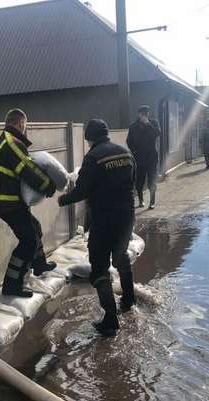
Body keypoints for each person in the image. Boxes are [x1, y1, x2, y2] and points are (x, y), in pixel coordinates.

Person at [58, 119, 136, 337]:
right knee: (121, 257)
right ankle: (129, 300)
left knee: (99, 267)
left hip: (104, 220)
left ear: (88, 137)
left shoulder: (93, 157)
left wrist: (62, 200)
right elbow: (135, 181)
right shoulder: (125, 153)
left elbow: (82, 191)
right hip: (127, 216)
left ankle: (110, 320)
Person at [0, 108, 57, 298]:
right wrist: (48, 185)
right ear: (20, 123)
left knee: (34, 227)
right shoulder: (12, 141)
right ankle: (12, 285)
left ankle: (39, 264)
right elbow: (28, 168)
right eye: (25, 125)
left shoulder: (7, 140)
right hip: (5, 200)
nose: (25, 129)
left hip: (5, 198)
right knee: (28, 240)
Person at [127, 105, 161, 210]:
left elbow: (157, 133)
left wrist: (148, 124)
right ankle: (141, 200)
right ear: (139, 114)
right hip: (139, 158)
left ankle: (152, 201)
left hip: (151, 157)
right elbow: (129, 141)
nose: (145, 116)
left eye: (146, 114)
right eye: (143, 114)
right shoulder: (133, 126)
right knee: (139, 181)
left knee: (152, 180)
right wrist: (134, 151)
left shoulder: (153, 123)